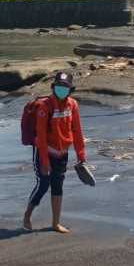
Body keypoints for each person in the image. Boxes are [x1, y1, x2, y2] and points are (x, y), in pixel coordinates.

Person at [23, 72, 87, 233]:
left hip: (62, 153)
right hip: (44, 151)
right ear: (53, 87)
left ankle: (55, 223)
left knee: (58, 186)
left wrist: (81, 156)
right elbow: (42, 136)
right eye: (59, 86)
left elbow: (77, 131)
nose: (61, 90)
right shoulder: (45, 106)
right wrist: (45, 162)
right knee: (43, 185)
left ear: (70, 89)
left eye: (65, 87)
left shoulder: (73, 105)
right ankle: (27, 215)